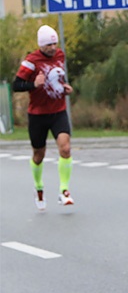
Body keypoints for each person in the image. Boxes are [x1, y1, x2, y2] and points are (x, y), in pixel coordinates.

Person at [12, 25, 75, 210]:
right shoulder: (31, 61)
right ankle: (39, 187)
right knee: (39, 155)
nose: (53, 48)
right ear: (41, 45)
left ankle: (64, 190)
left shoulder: (60, 56)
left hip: (58, 111)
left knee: (65, 148)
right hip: (38, 115)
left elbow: (58, 79)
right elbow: (16, 85)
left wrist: (65, 88)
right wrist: (33, 84)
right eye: (49, 45)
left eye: (54, 43)